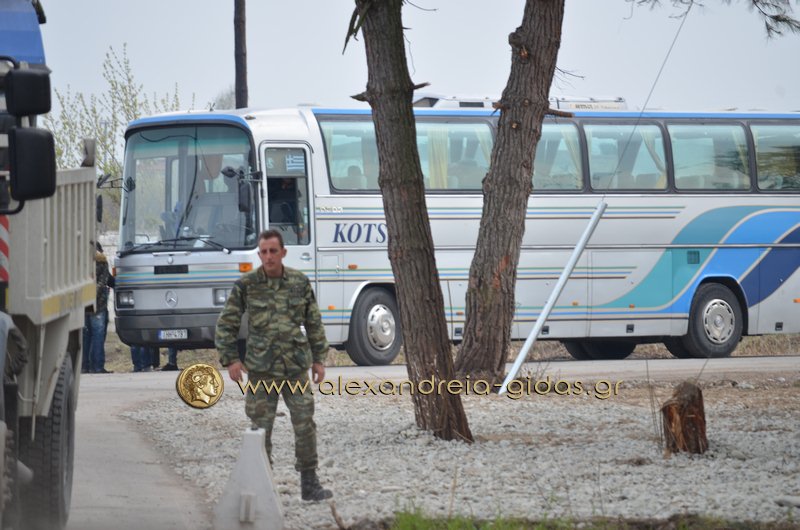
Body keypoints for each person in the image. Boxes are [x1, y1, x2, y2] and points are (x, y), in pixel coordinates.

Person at [215, 229, 332, 502]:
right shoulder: (247, 285)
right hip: (262, 369)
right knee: (260, 428)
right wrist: (231, 359)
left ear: (283, 253)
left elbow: (313, 321)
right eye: (264, 252)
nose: (268, 257)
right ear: (259, 254)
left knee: (304, 423)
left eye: (273, 251)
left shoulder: (299, 282)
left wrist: (319, 359)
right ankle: (261, 486)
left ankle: (309, 483)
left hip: (295, 368)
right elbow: (227, 323)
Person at [82, 242, 114, 374]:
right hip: (98, 305)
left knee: (86, 337)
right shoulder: (101, 262)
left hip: (83, 305)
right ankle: (97, 366)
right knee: (98, 336)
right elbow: (105, 281)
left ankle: (84, 366)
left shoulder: (80, 262)